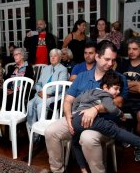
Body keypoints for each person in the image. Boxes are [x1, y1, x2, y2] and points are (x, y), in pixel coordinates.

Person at [44, 40, 128, 173]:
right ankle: (57, 170)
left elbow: (118, 102)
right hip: (78, 118)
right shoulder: (82, 77)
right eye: (107, 59)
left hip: (105, 122)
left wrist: (95, 109)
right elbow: (67, 101)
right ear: (97, 57)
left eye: (113, 60)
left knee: (87, 137)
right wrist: (68, 117)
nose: (110, 63)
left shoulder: (119, 78)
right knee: (51, 131)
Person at [71, 70, 140, 172]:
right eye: (116, 88)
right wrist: (121, 114)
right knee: (116, 131)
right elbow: (111, 108)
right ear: (105, 87)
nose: (118, 92)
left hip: (76, 119)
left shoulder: (89, 91)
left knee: (75, 143)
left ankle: (83, 169)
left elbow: (76, 100)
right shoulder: (105, 95)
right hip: (86, 119)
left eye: (120, 89)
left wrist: (74, 114)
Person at [27, 49, 68, 130]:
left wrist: (45, 92)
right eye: (51, 56)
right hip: (41, 94)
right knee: (30, 104)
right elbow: (38, 84)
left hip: (54, 96)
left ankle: (42, 130)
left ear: (59, 58)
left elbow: (59, 87)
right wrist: (39, 91)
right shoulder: (45, 69)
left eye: (55, 56)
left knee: (40, 106)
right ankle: (33, 130)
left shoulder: (63, 69)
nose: (52, 58)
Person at [117, 37, 140, 161]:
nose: (131, 51)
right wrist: (135, 85)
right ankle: (126, 133)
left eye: (135, 49)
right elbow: (117, 83)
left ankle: (138, 144)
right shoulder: (123, 64)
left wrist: (126, 83)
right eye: (129, 49)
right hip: (124, 99)